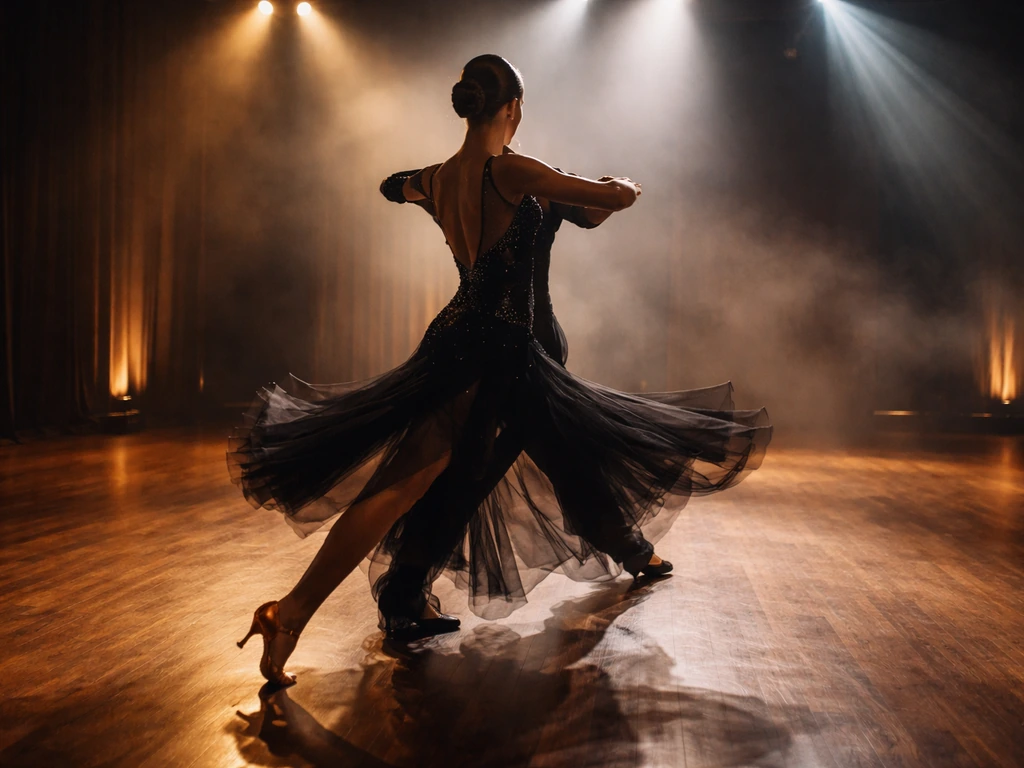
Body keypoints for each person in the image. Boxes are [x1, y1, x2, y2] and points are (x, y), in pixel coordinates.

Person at [230, 54, 771, 686]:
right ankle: (293, 610)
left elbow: (393, 185)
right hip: (498, 352)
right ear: (512, 109)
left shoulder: (441, 177)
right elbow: (612, 199)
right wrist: (622, 183)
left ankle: (365, 599)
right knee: (410, 482)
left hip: (465, 339)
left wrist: (415, 184)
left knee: (489, 466)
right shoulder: (513, 170)